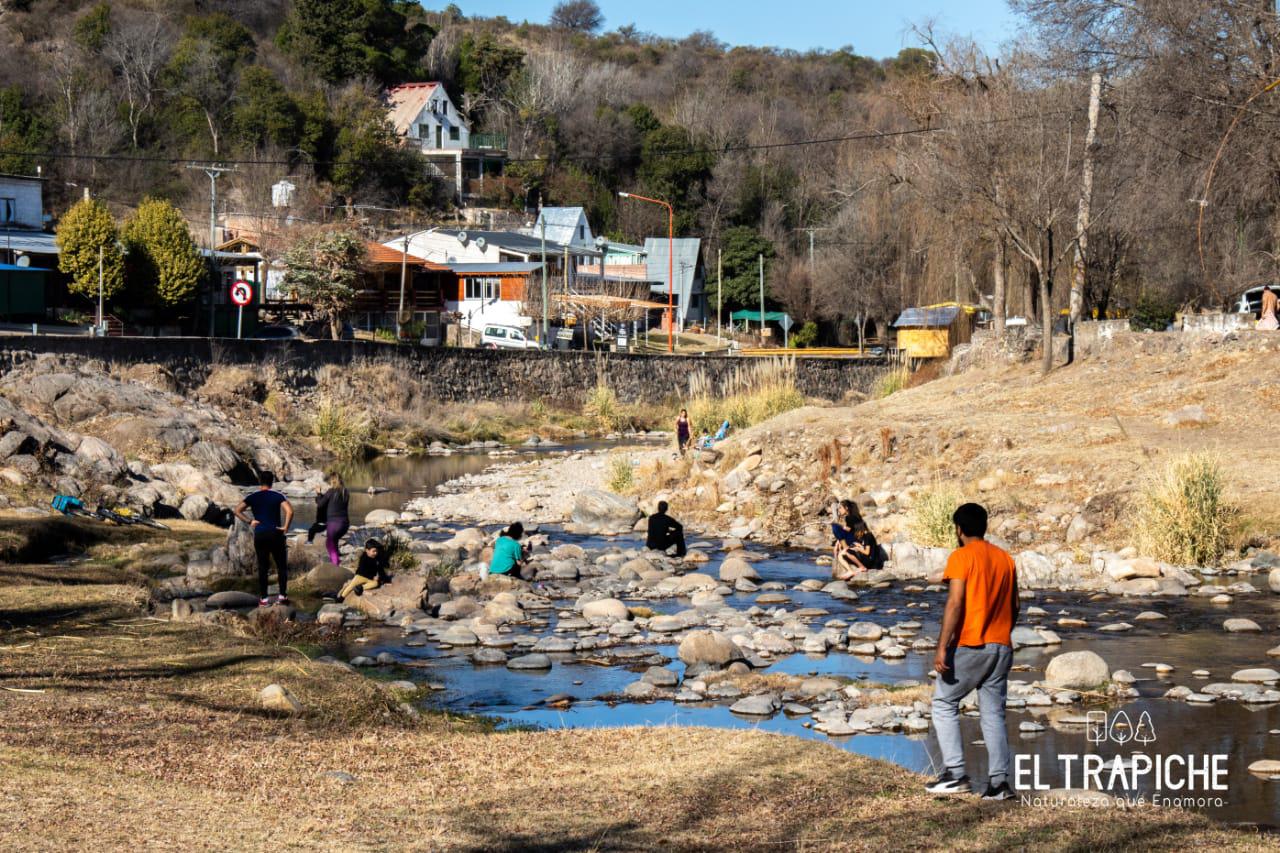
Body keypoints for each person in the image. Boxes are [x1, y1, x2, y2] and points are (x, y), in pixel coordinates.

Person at [927, 502, 1019, 801]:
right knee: (992, 714)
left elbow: (955, 604)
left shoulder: (960, 556)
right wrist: (1002, 634)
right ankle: (999, 784)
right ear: (985, 527)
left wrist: (942, 646)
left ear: (959, 529)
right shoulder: (1005, 559)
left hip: (971, 644)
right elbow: (1015, 606)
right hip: (1002, 645)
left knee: (943, 703)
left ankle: (955, 775)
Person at [233, 471, 294, 607]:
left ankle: (264, 599)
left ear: (260, 481)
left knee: (262, 567)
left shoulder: (253, 496)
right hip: (275, 534)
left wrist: (250, 521)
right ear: (272, 482)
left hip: (260, 535)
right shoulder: (278, 495)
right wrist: (285, 527)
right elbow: (290, 511)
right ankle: (282, 596)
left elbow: (237, 510)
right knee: (281, 566)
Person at [830, 499, 882, 580]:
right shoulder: (855, 515)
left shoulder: (850, 517)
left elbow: (848, 530)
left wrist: (839, 527)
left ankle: (846, 548)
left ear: (846, 508)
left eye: (840, 508)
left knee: (835, 527)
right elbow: (849, 531)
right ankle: (850, 569)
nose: (839, 510)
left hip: (856, 540)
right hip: (856, 539)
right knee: (836, 529)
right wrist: (838, 540)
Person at [315, 472, 350, 566]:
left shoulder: (331, 491)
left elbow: (320, 504)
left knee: (329, 543)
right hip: (345, 523)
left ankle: (335, 565)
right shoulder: (345, 492)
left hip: (334, 524)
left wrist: (318, 493)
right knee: (334, 541)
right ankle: (337, 559)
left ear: (332, 481)